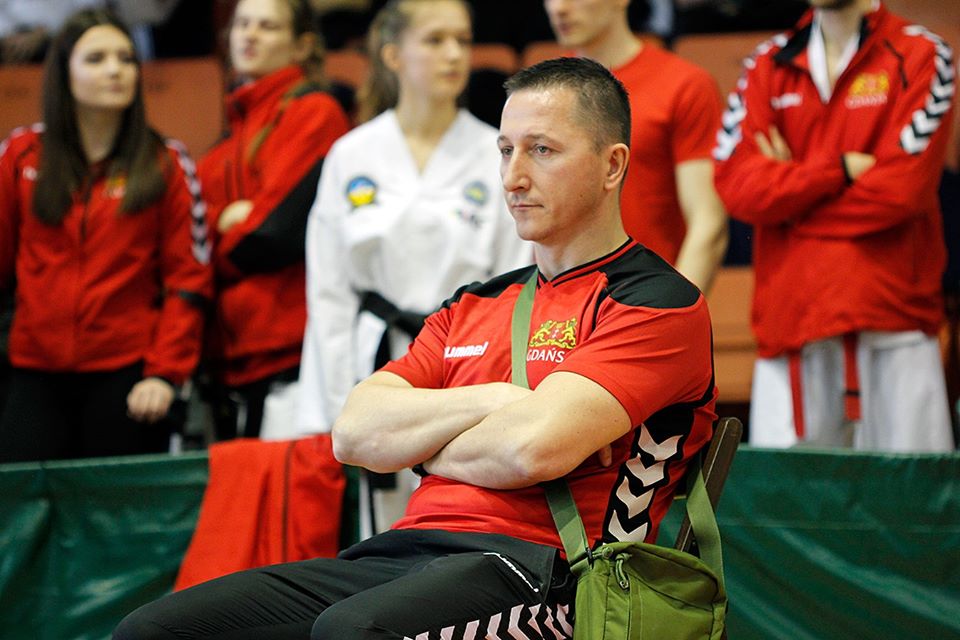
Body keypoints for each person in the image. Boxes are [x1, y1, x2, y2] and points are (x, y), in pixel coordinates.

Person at [113, 55, 717, 640]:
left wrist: (421, 449)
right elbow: (355, 433)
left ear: (613, 165)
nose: (513, 177)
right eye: (505, 150)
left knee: (353, 631)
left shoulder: (656, 302)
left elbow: (532, 449)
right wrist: (498, 401)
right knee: (155, 629)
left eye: (542, 150)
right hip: (404, 551)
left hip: (551, 575)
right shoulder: (472, 304)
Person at [713, 0, 956, 451]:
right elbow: (738, 188)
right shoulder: (766, 64)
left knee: (908, 494)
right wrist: (838, 170)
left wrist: (790, 201)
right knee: (790, 498)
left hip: (892, 321)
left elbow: (900, 192)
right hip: (793, 322)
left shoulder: (922, 54)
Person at [298, 0, 529, 435]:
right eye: (435, 40)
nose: (454, 54)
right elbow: (330, 294)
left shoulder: (495, 155)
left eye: (463, 40)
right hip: (372, 359)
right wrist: (337, 409)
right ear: (392, 55)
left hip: (466, 364)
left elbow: (514, 283)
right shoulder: (351, 155)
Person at [0, 9, 212, 462]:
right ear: (64, 73)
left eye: (126, 58)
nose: (116, 70)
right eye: (96, 59)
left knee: (114, 502)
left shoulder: (166, 162)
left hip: (128, 373)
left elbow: (188, 280)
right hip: (32, 368)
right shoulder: (20, 155)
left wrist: (164, 374)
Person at [199, 0, 350, 439]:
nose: (249, 35)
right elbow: (184, 238)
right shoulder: (229, 132)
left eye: (267, 26)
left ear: (302, 45)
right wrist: (223, 222)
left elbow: (271, 234)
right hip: (228, 354)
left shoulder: (314, 112)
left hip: (290, 350)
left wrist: (215, 242)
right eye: (242, 24)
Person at [544, 0, 728, 293]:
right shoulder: (540, 94)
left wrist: (673, 309)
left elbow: (708, 222)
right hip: (558, 300)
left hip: (646, 296)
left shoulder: (684, 84)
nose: (558, 8)